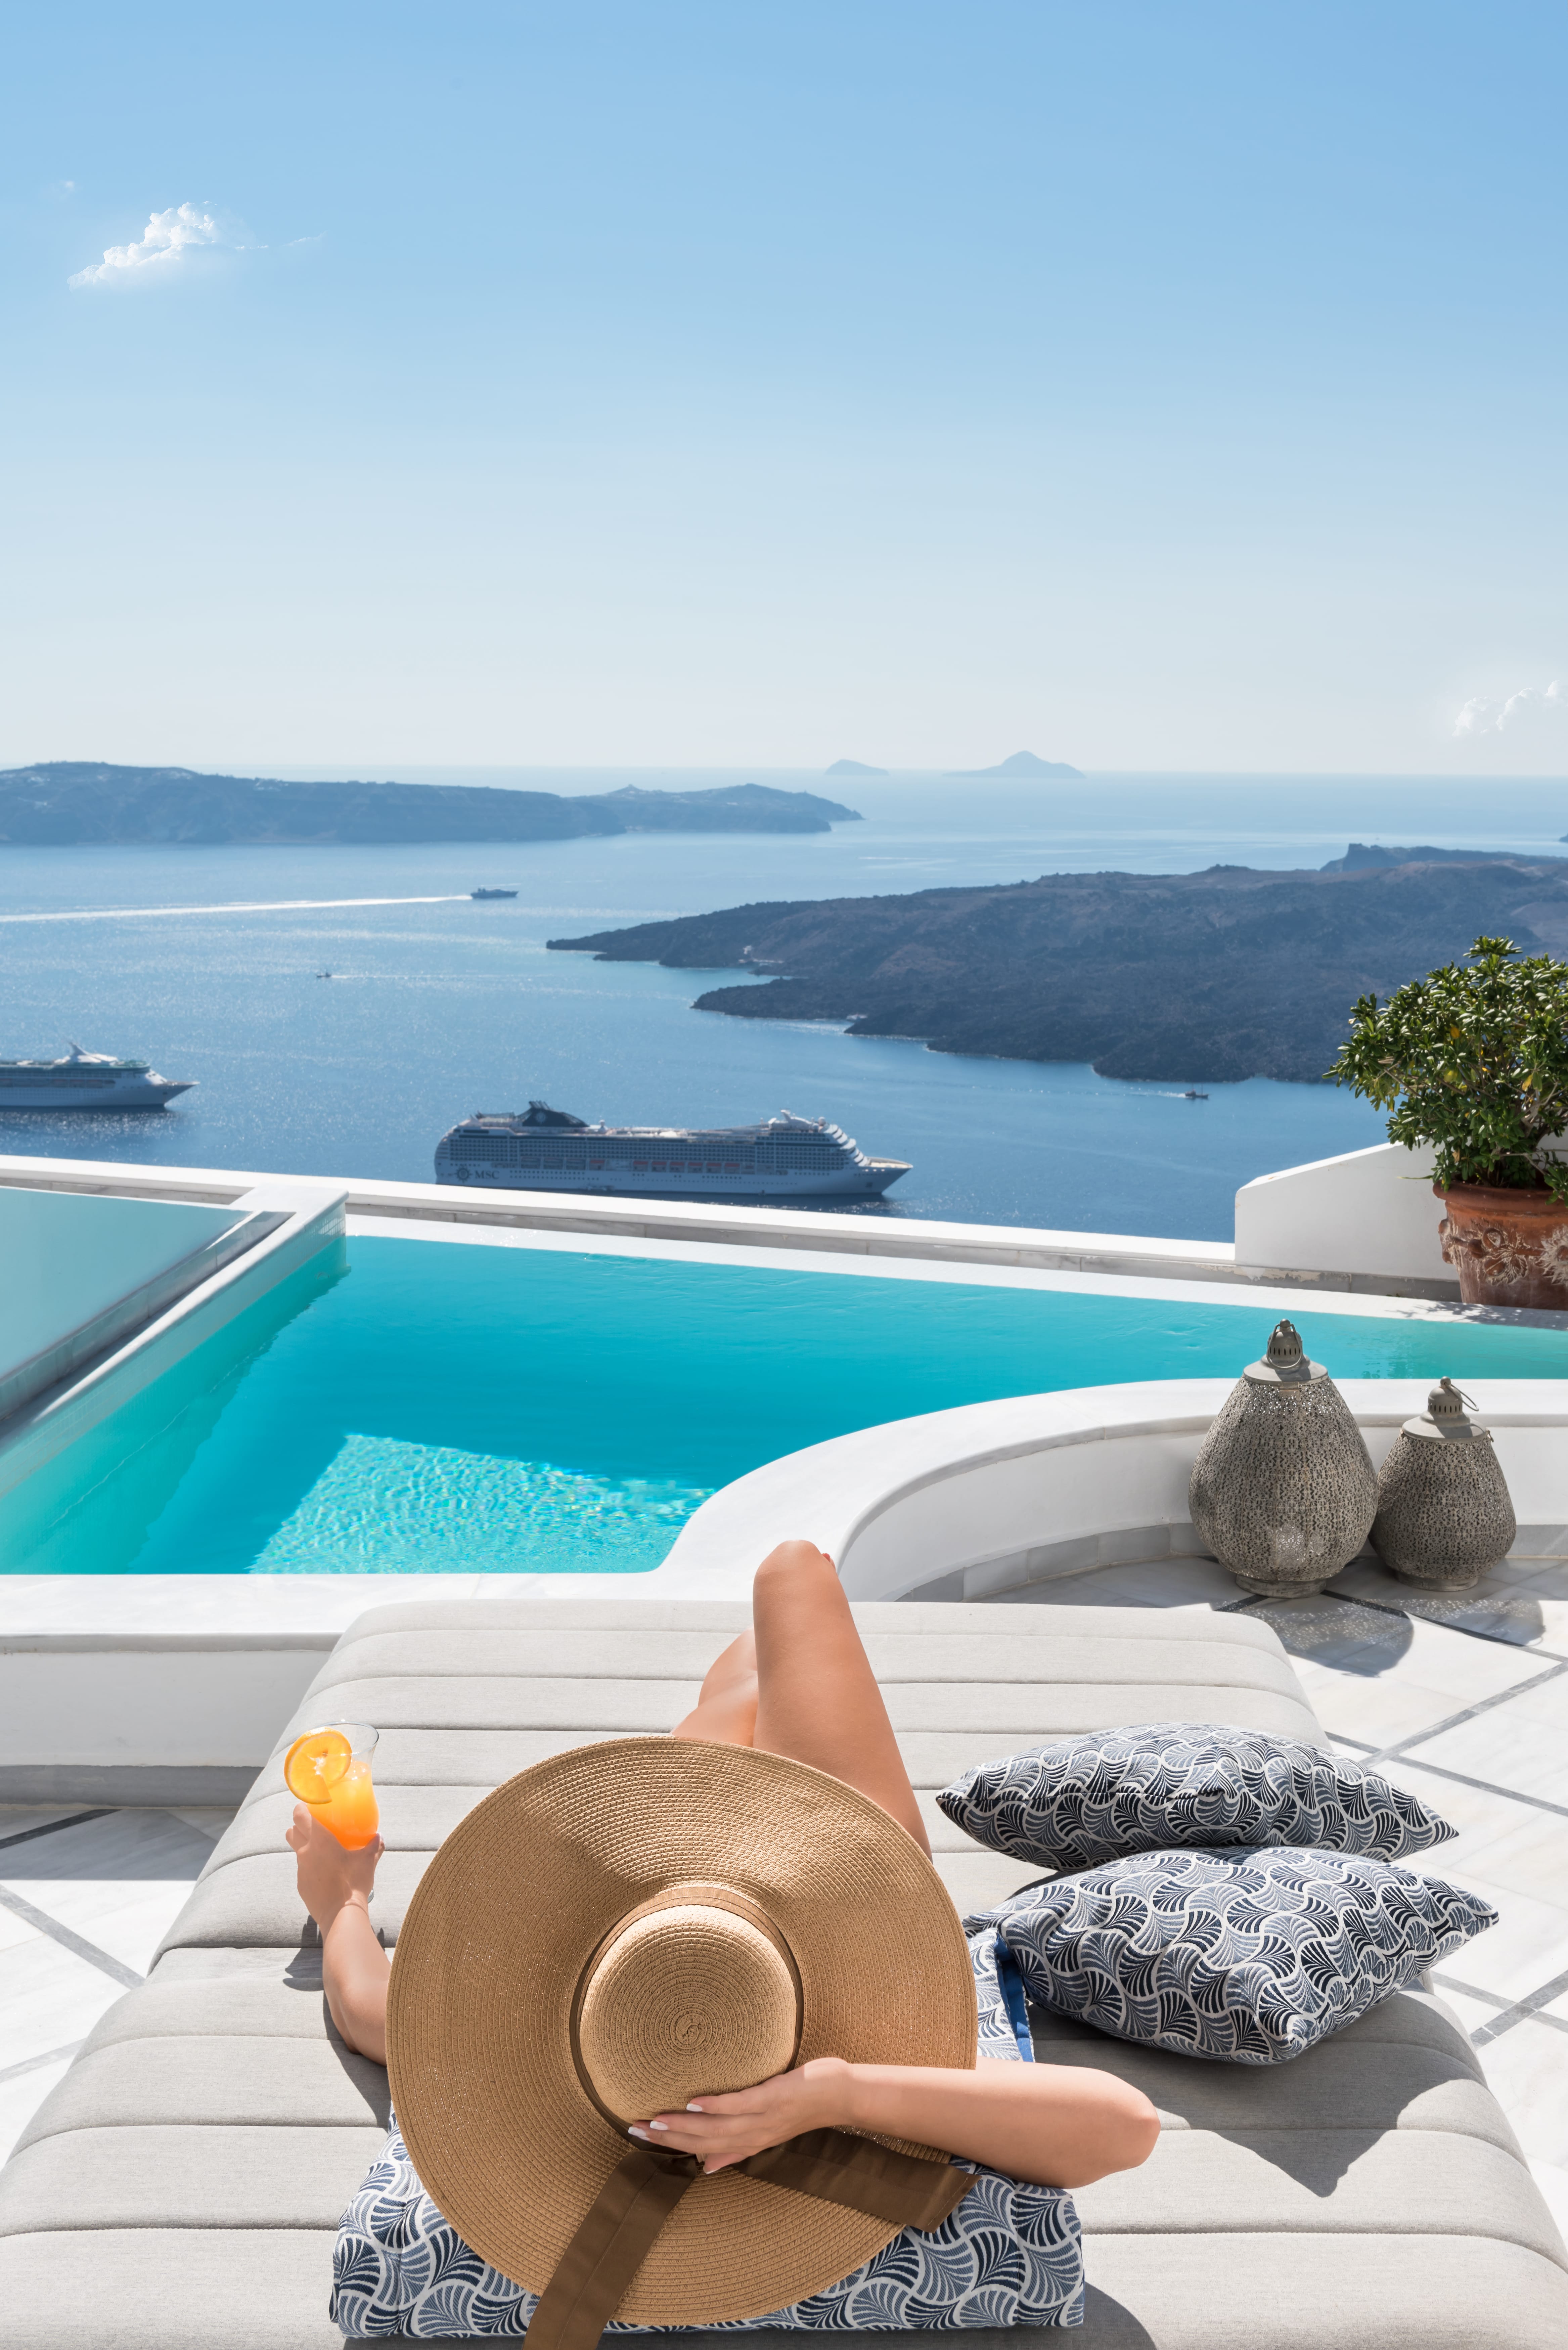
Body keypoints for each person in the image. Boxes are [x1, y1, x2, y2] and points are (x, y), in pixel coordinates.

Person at [290, 1542, 1159, 2339]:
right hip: (817, 1902)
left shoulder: (528, 2041)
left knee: (741, 1691)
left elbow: (370, 2011)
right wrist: (837, 2092)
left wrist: (342, 1902)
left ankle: (725, 1727)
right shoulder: (869, 2066)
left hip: (672, 1927)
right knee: (792, 1575)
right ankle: (730, 1717)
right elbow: (1124, 2126)